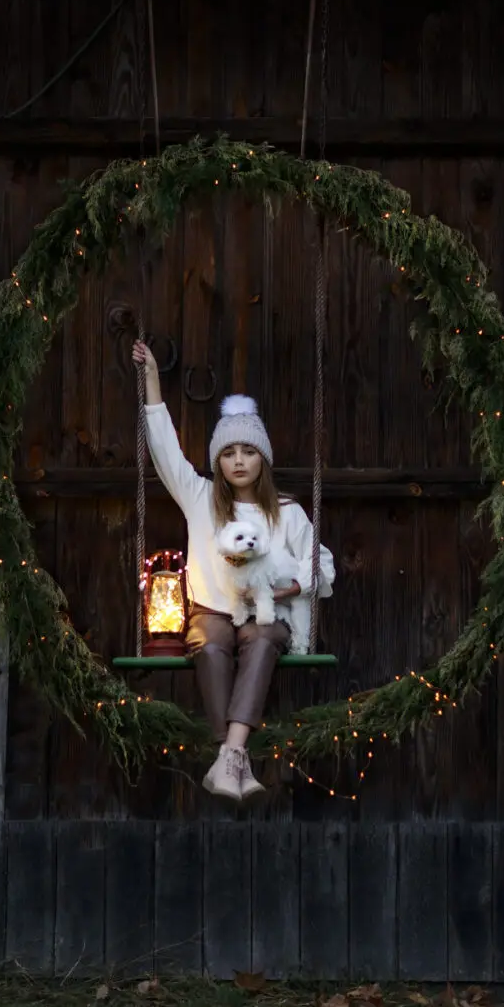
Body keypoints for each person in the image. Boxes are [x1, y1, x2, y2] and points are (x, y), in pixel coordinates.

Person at [132, 341, 336, 802]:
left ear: (262, 458)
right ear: (218, 462)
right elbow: (164, 450)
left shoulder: (287, 512)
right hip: (211, 611)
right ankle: (235, 762)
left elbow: (322, 565)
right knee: (208, 644)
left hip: (268, 612)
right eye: (229, 453)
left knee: (263, 640)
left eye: (248, 451)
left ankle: (230, 754)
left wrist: (292, 588)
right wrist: (151, 383)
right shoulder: (199, 498)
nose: (239, 460)